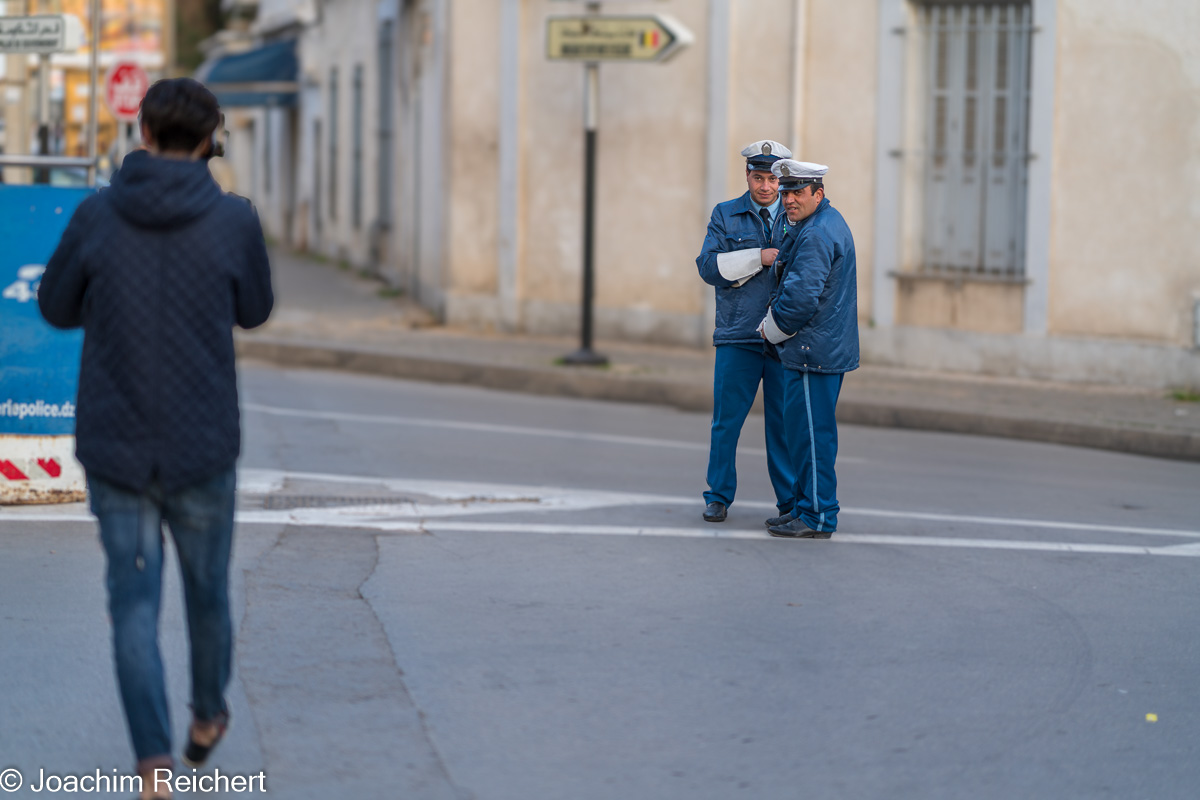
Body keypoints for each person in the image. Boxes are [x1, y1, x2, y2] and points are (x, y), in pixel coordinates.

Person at [38, 78, 273, 798]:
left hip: (117, 442)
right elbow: (255, 310)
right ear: (210, 139)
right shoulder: (234, 218)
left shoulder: (97, 215)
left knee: (132, 604)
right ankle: (206, 720)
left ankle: (153, 765)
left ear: (141, 132)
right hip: (202, 442)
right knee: (208, 594)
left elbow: (54, 305)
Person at [695, 140, 797, 523]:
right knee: (726, 421)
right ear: (748, 177)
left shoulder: (796, 213)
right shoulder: (726, 214)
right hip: (739, 334)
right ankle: (718, 495)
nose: (766, 187)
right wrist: (758, 256)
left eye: (772, 179)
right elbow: (707, 267)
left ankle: (789, 502)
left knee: (783, 425)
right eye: (759, 177)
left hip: (784, 337)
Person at [757, 159, 858, 539]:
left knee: (812, 437)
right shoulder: (821, 223)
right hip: (816, 349)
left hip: (812, 352)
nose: (788, 199)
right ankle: (804, 506)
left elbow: (800, 300)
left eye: (798, 192)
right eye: (786, 192)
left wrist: (770, 329)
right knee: (803, 434)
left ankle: (816, 515)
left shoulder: (816, 233)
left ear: (818, 193)